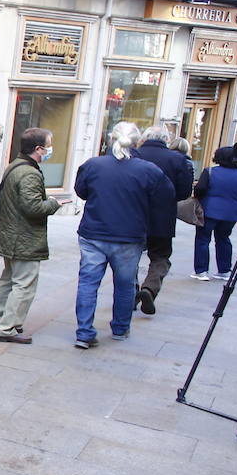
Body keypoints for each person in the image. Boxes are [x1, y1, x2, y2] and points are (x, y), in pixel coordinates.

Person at [71, 121, 173, 349]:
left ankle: (84, 332)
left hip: (94, 233)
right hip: (128, 235)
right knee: (125, 284)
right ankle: (120, 327)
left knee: (88, 283)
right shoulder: (148, 170)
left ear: (110, 139)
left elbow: (82, 191)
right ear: (138, 142)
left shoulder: (93, 165)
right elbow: (162, 201)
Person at [0, 128, 67, 344]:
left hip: (10, 233)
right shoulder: (30, 172)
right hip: (24, 237)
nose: (51, 148)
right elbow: (32, 207)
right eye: (49, 144)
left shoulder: (15, 165)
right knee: (24, 284)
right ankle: (7, 327)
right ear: (39, 149)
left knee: (9, 279)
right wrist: (53, 204)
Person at [131, 126, 193, 313]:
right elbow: (183, 192)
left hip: (134, 215)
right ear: (166, 140)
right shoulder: (178, 160)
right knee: (160, 257)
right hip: (162, 217)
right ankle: (150, 288)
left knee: (130, 256)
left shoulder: (134, 155)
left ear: (144, 138)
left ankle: (130, 292)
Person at [192, 146, 237, 281]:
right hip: (231, 214)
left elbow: (200, 189)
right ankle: (224, 270)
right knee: (223, 239)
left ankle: (201, 271)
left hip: (209, 211)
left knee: (202, 239)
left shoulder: (210, 172)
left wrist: (198, 199)